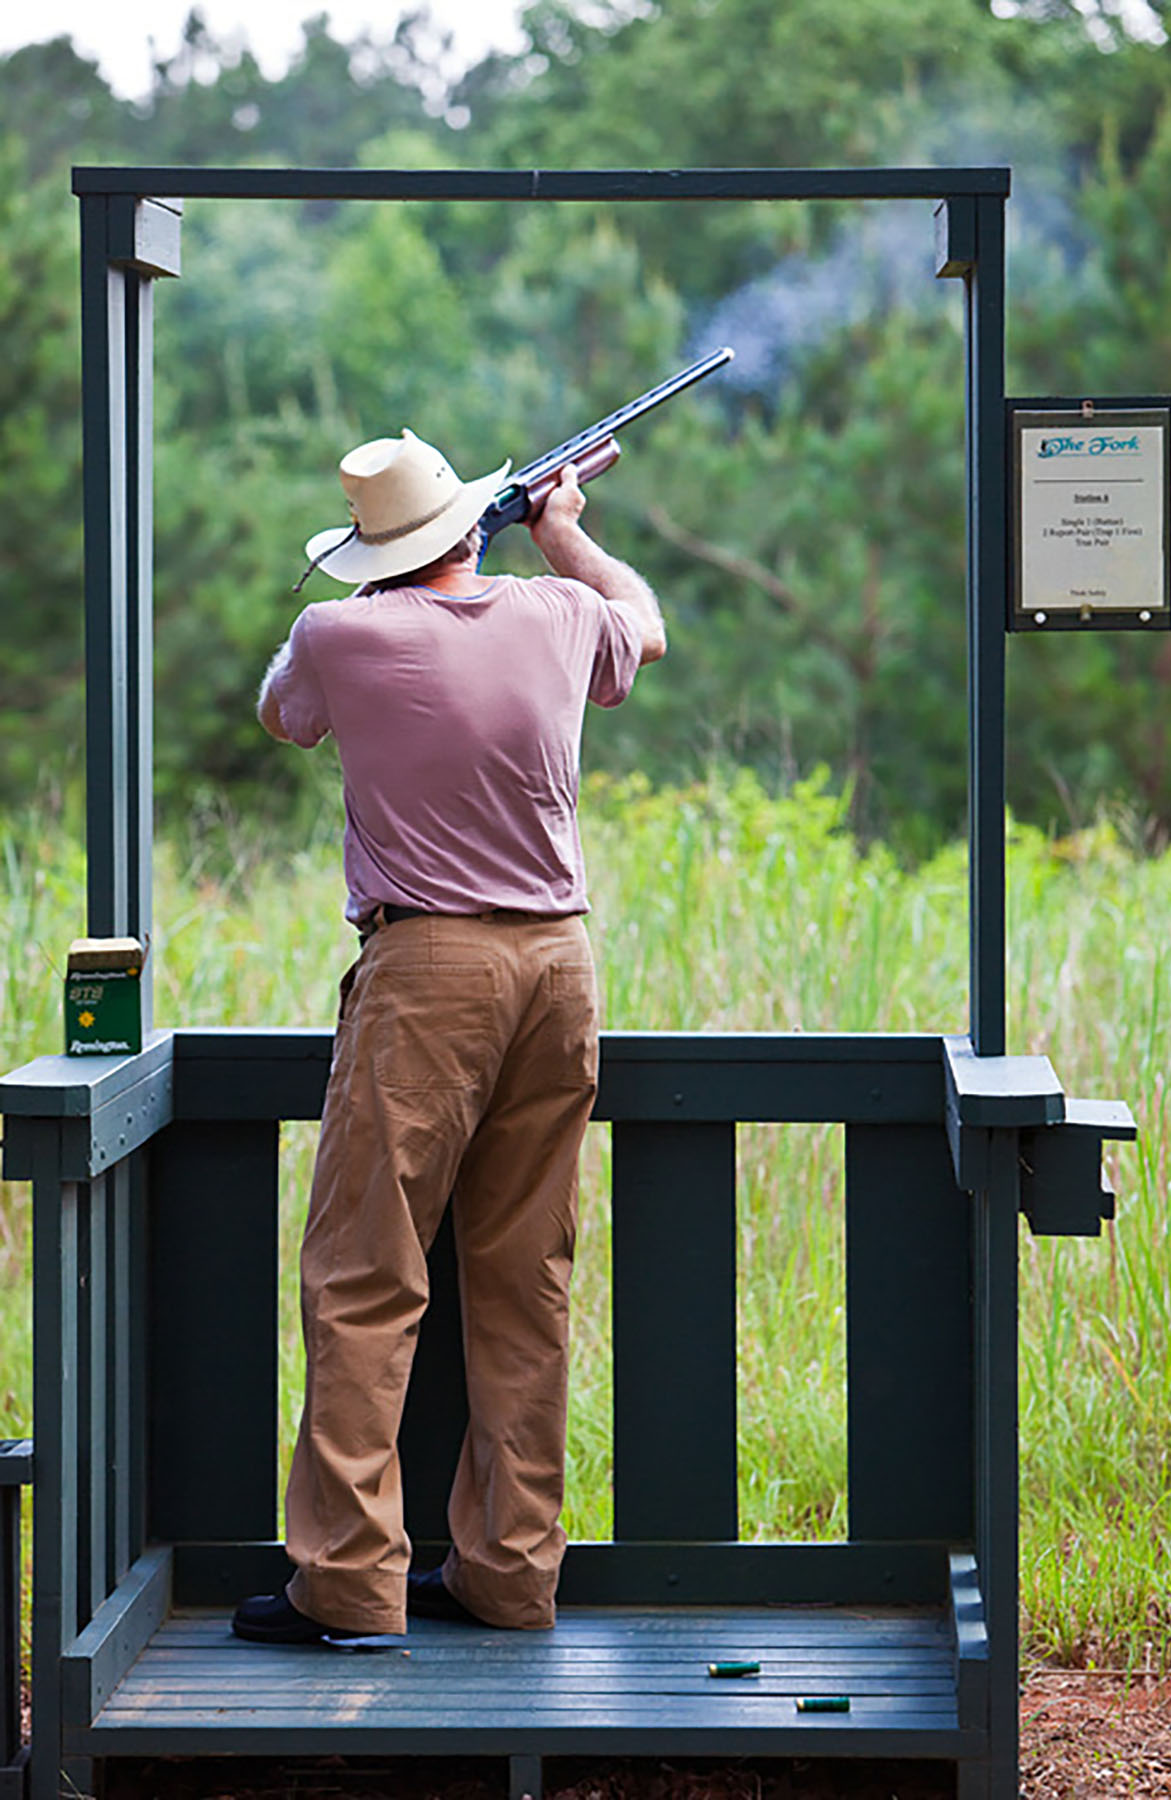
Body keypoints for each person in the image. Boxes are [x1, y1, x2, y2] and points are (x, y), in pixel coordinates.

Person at [233, 428, 665, 1645]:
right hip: (558, 966)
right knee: (526, 1281)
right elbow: (645, 620)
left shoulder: (339, 634)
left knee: (366, 1278)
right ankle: (512, 1573)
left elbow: (284, 713)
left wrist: (382, 576)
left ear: (374, 553)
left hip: (427, 968)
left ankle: (352, 1585)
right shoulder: (555, 612)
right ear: (473, 529)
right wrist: (564, 530)